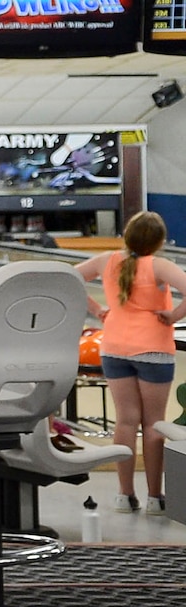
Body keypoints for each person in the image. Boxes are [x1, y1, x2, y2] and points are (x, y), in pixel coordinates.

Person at [72, 210, 186, 515]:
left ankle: (124, 496)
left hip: (113, 349)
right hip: (153, 350)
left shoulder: (106, 260)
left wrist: (97, 310)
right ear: (160, 241)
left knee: (124, 421)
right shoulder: (159, 265)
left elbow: (69, 278)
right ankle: (154, 497)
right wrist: (174, 316)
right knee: (153, 423)